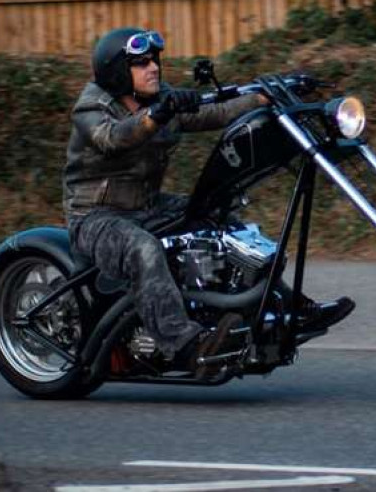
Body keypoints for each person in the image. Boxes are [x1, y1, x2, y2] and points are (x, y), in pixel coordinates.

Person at [63, 27, 354, 376]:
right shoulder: (92, 105)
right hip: (95, 216)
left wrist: (265, 95)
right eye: (141, 63)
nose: (153, 67)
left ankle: (290, 306)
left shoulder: (159, 97)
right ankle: (185, 346)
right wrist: (157, 115)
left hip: (148, 205)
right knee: (144, 250)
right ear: (116, 72)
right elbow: (113, 138)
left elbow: (214, 111)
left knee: (220, 217)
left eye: (153, 60)